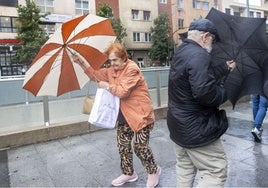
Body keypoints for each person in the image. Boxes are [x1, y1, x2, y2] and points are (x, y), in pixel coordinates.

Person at [73, 42, 161, 188]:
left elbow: (122, 91)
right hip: (123, 115)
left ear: (123, 57)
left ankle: (153, 171)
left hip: (141, 115)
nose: (112, 63)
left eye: (115, 60)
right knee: (123, 146)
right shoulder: (111, 70)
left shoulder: (132, 69)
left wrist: (107, 86)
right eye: (110, 60)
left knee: (140, 147)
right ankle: (129, 173)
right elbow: (94, 75)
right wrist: (80, 62)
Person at [167, 18, 236, 187]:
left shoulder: (182, 51)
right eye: (212, 40)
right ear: (205, 37)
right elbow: (206, 94)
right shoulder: (200, 55)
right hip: (196, 129)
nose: (212, 46)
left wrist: (224, 68)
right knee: (215, 170)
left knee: (185, 167)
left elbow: (195, 77)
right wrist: (226, 91)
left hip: (178, 125)